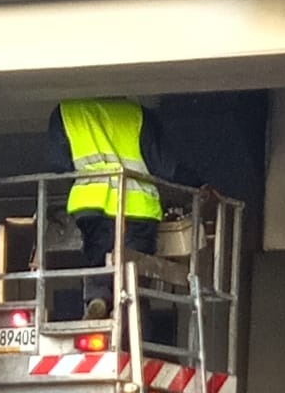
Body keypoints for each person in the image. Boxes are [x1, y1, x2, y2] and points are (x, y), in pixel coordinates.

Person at [46, 98, 190, 317]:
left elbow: (59, 165)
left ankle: (98, 297)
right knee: (134, 275)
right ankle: (124, 312)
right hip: (136, 206)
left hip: (90, 202)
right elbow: (165, 166)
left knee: (99, 253)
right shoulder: (136, 114)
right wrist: (198, 184)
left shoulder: (67, 111)